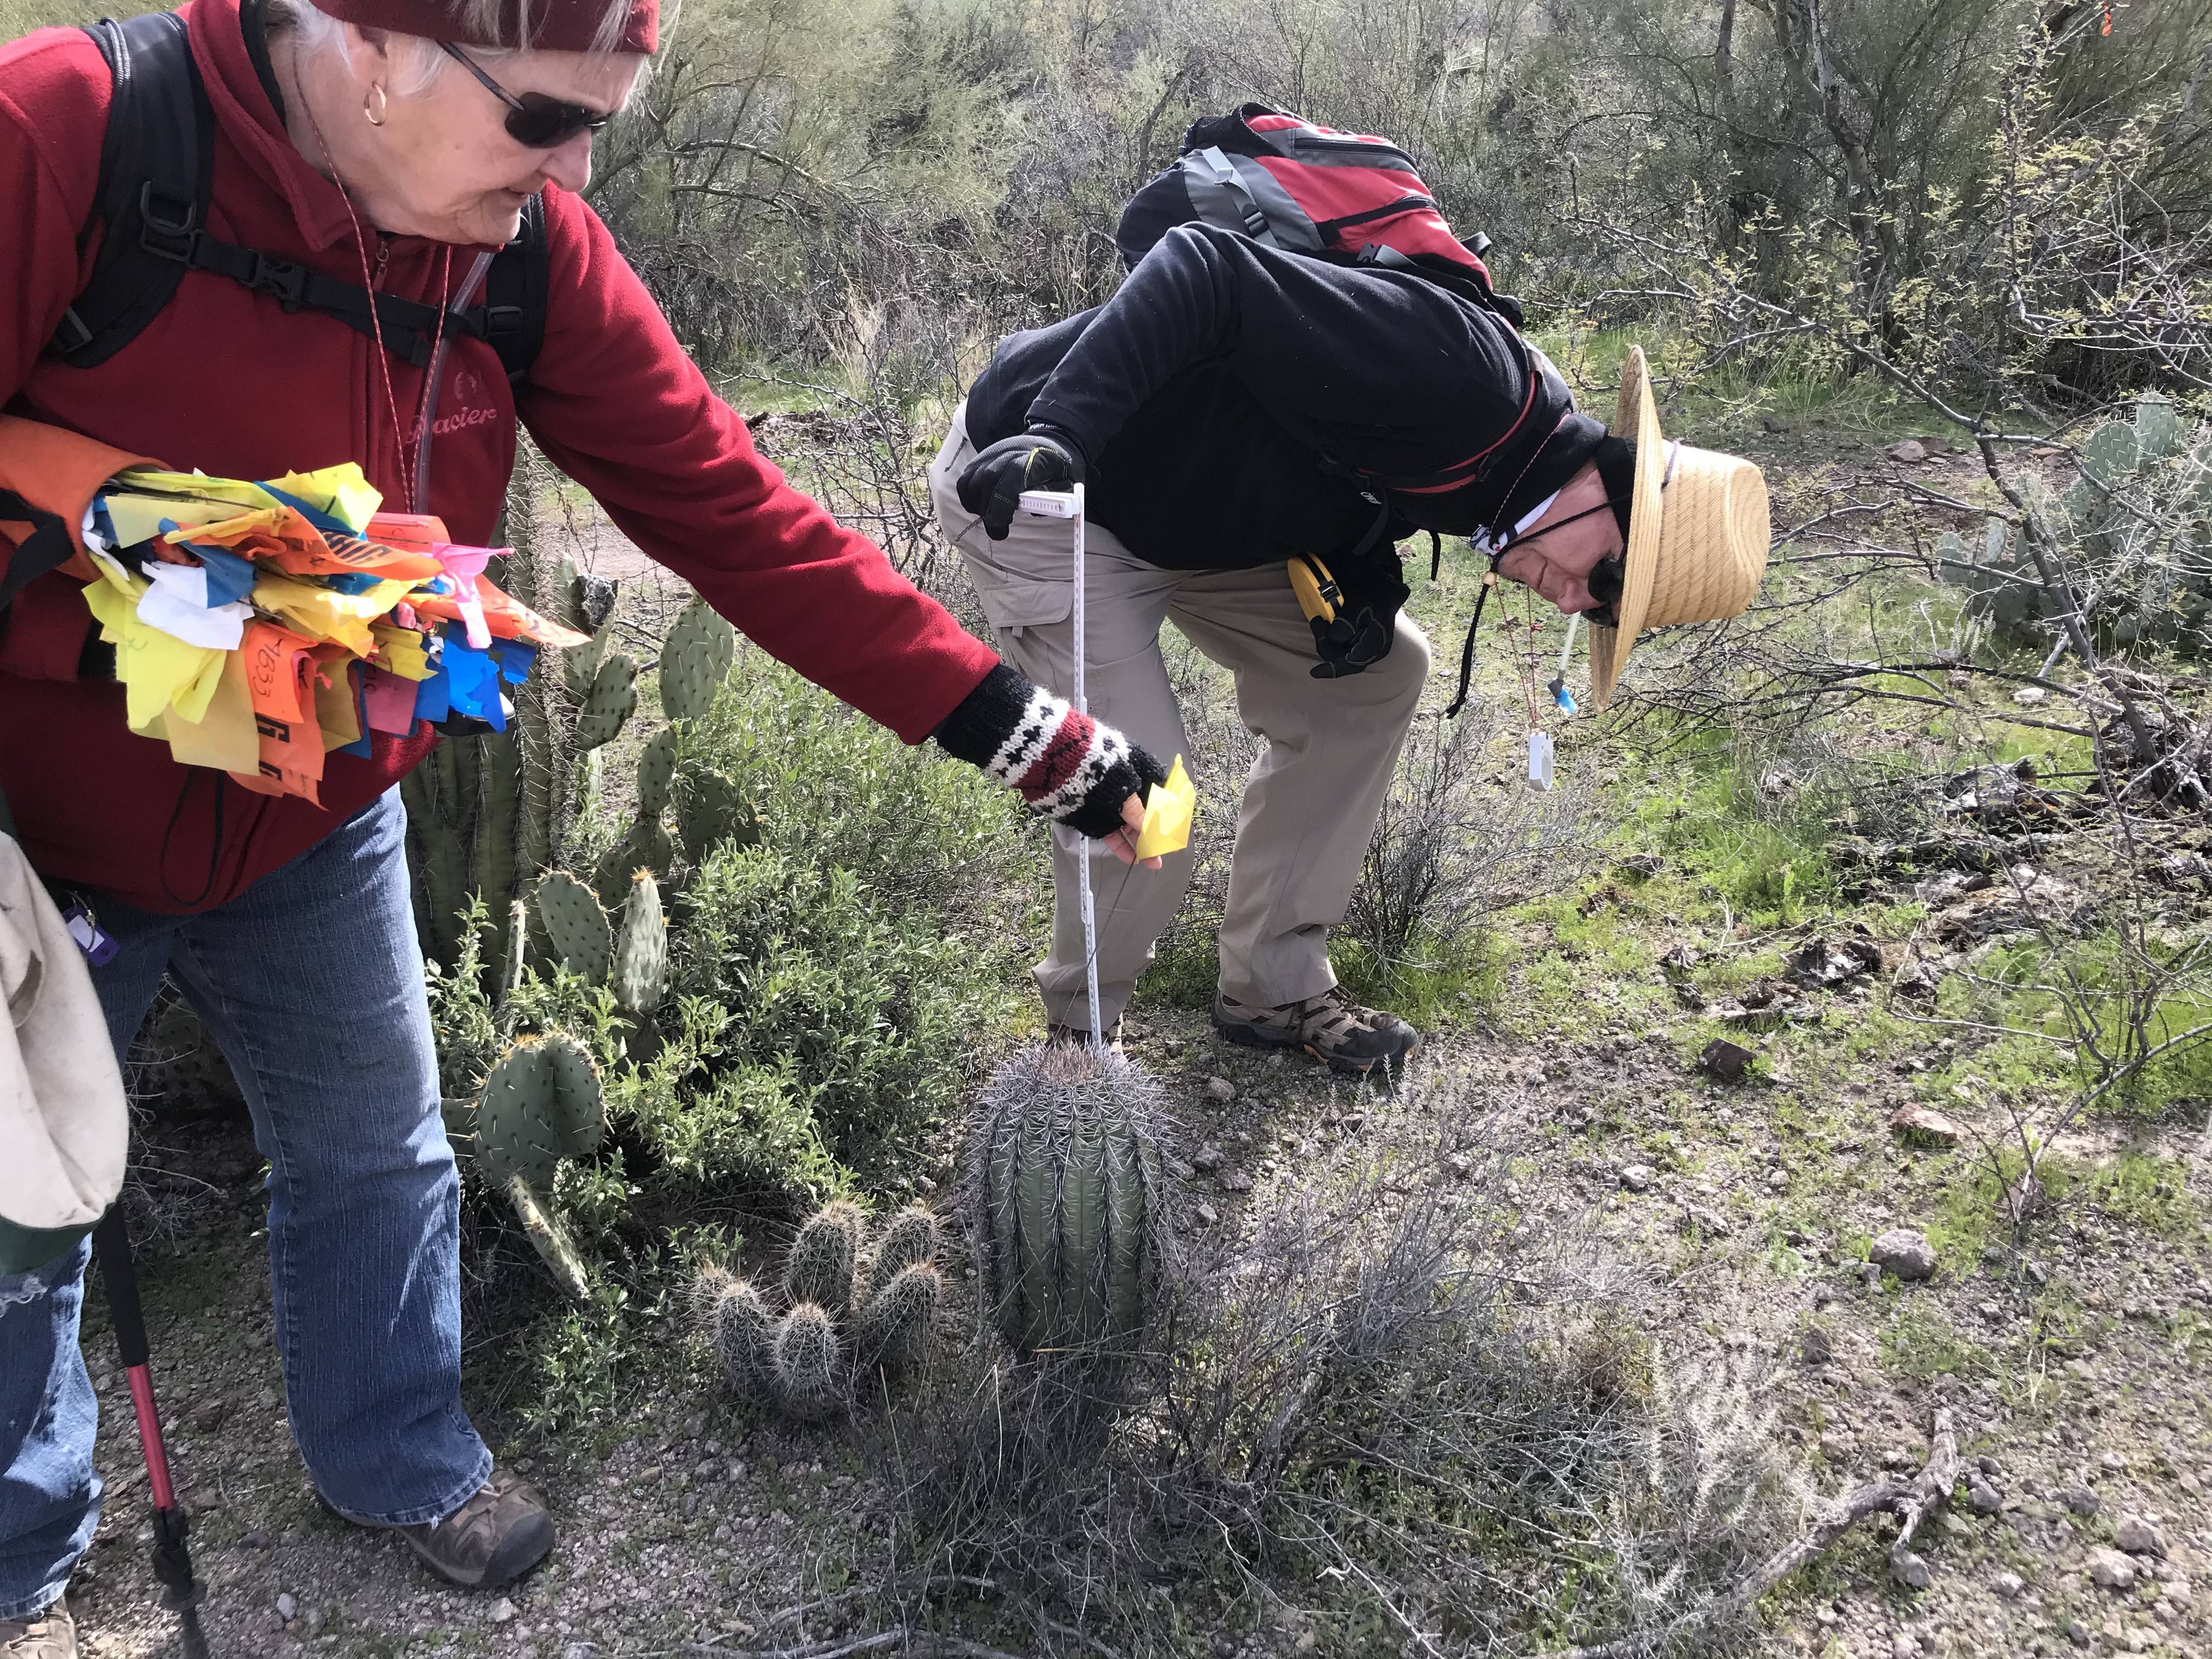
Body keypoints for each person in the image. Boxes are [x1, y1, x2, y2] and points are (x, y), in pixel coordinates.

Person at [0, 0, 1166, 1649]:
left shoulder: (527, 250)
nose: (584, 164)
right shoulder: (73, 132)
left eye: (609, 116)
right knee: (16, 1209)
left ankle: (399, 1458)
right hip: (38, 838)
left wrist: (1025, 732)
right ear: (373, 46)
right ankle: (18, 1556)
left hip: (315, 825)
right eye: (550, 117)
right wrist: (169, 607)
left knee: (383, 1155)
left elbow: (733, 516)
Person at [930, 105, 1769, 1073]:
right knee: (1146, 787)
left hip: (1191, 515)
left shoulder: (1507, 473)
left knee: (1380, 676)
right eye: (1608, 578)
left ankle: (1273, 987)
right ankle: (1080, 1037)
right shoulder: (1464, 380)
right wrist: (1063, 432)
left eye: (1606, 612)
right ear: (1607, 488)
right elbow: (1205, 267)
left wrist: (1367, 577)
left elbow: (1360, 465)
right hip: (1048, 482)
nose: (1581, 602)